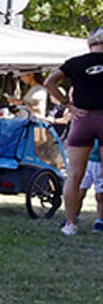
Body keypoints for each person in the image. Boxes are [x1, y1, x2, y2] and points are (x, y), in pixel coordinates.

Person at [45, 27, 103, 235]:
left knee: (74, 175)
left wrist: (67, 106)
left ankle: (70, 223)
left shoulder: (75, 63)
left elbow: (49, 82)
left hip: (82, 119)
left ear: (90, 43)